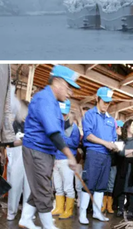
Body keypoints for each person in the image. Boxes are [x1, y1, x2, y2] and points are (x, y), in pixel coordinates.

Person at [19, 65, 79, 229]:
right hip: (36, 149)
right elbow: (53, 132)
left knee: (39, 186)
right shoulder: (45, 98)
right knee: (44, 189)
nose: (70, 93)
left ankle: (25, 218)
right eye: (68, 88)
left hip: (45, 151)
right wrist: (70, 155)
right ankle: (48, 226)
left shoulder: (53, 102)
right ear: (58, 82)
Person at [79, 86, 119, 225]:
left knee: (102, 186)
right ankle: (82, 213)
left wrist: (114, 146)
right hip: (94, 153)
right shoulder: (90, 115)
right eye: (104, 101)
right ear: (97, 98)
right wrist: (105, 143)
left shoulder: (110, 119)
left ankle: (97, 212)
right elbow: (88, 135)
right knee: (89, 183)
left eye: (108, 102)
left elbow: (113, 138)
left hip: (107, 156)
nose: (106, 105)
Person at [51, 100, 81, 220]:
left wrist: (60, 139)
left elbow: (74, 143)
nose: (62, 116)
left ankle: (68, 210)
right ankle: (59, 208)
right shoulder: (55, 125)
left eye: (64, 113)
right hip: (55, 159)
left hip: (66, 160)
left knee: (68, 187)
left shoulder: (74, 128)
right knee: (57, 186)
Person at [113, 119, 133, 220]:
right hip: (123, 167)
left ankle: (131, 210)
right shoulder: (121, 140)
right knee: (121, 188)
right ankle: (120, 209)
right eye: (132, 125)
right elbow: (119, 153)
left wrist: (125, 152)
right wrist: (129, 152)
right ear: (127, 127)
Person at [6, 92, 30, 222]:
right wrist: (22, 141)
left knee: (28, 188)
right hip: (16, 156)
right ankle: (11, 212)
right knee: (14, 187)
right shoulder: (13, 124)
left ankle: (26, 215)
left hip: (29, 156)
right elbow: (10, 141)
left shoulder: (31, 125)